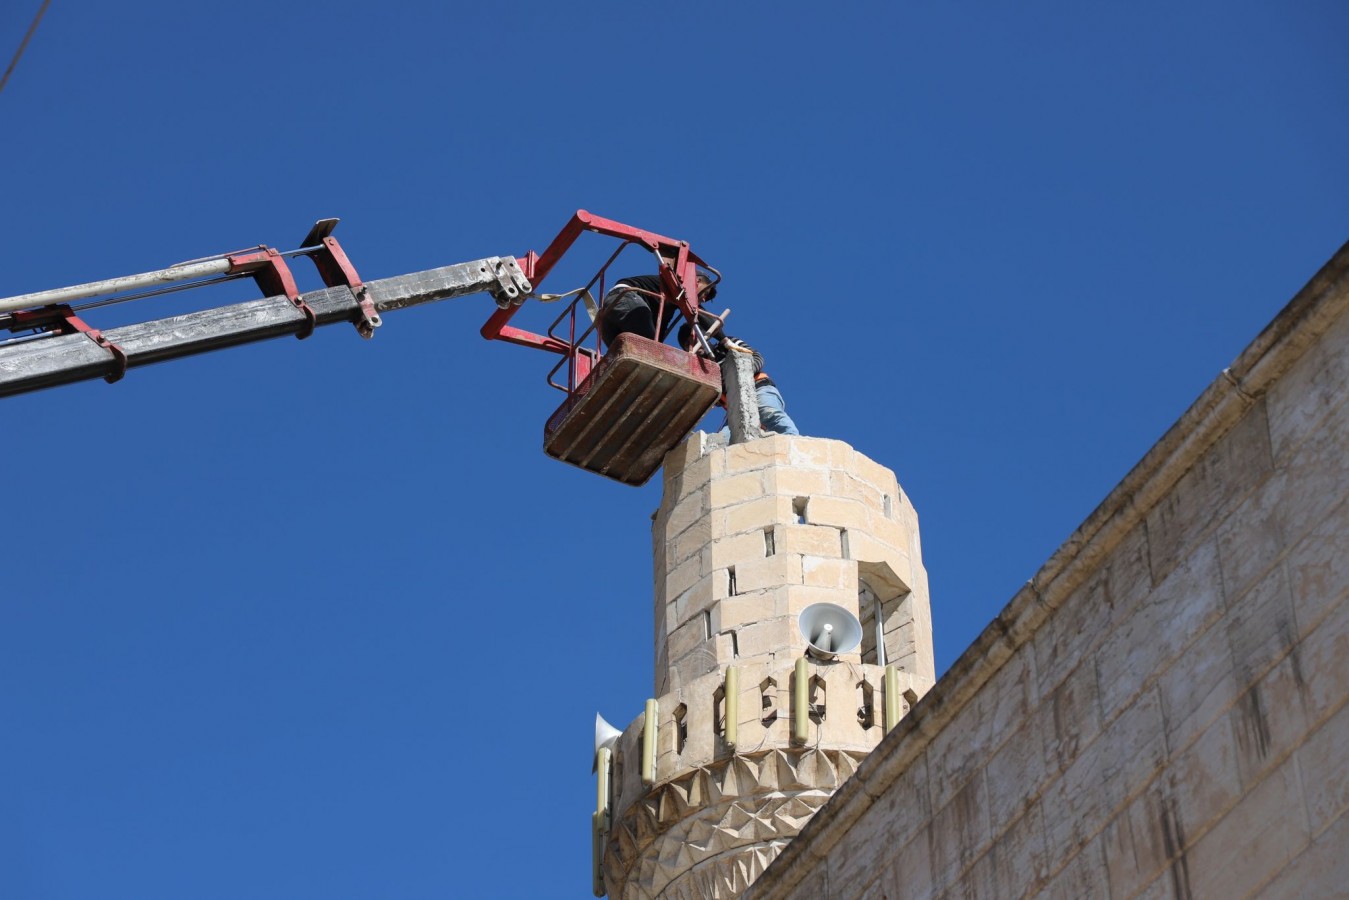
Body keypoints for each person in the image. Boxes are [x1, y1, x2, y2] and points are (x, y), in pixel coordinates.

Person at [677, 321, 800, 437]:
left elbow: (757, 358)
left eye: (696, 338)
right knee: (726, 437)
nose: (694, 344)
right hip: (735, 403)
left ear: (706, 337)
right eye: (688, 344)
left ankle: (793, 441)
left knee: (768, 414)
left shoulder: (727, 344)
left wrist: (743, 373)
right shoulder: (701, 371)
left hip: (757, 388)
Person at [598, 271, 717, 349]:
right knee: (648, 346)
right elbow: (698, 313)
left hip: (611, 316)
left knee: (625, 351)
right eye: (706, 293)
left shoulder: (667, 308)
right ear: (697, 281)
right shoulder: (675, 284)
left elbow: (657, 337)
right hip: (625, 299)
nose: (704, 299)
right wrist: (724, 340)